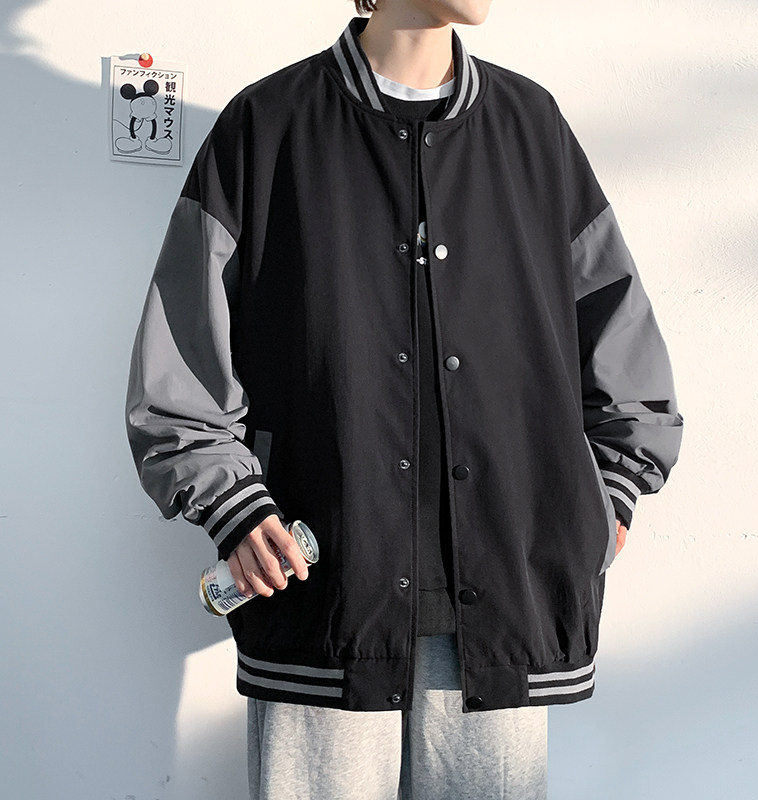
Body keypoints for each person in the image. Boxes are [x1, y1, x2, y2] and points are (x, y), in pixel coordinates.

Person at [124, 1, 684, 798]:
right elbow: (179, 357)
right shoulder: (269, 125)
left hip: (504, 606)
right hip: (324, 599)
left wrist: (612, 493)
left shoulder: (531, 128)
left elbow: (618, 334)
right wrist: (234, 507)